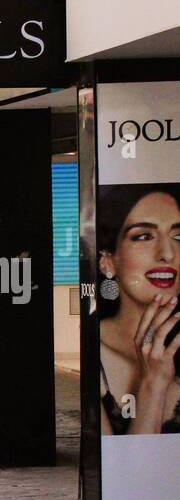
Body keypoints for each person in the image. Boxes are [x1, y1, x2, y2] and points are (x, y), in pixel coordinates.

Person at [96, 185, 180, 435]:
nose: (167, 253)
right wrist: (153, 383)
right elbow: (123, 470)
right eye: (144, 236)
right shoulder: (95, 356)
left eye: (178, 236)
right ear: (108, 261)